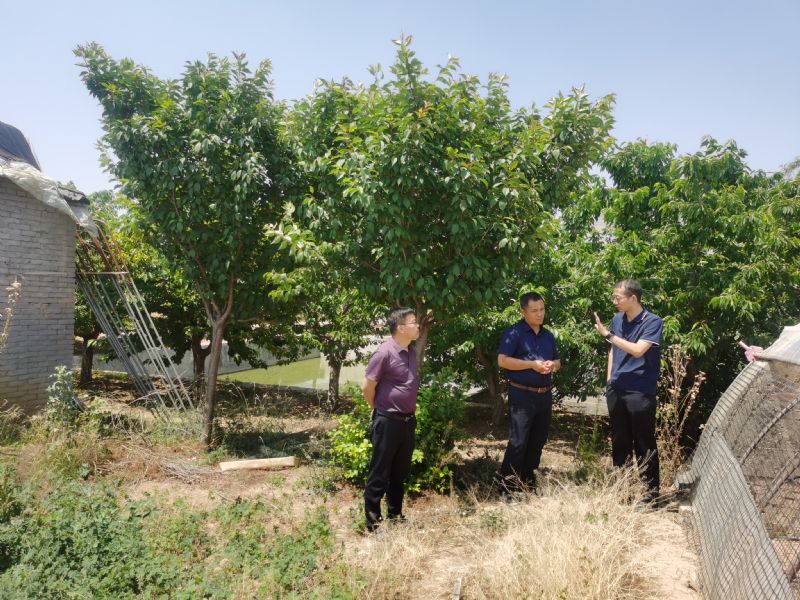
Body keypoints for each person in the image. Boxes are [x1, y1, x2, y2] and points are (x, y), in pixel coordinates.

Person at [593, 278, 663, 504]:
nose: (614, 301)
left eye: (618, 298)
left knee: (643, 442)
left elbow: (638, 350)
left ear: (633, 298)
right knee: (620, 441)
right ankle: (623, 491)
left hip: (640, 391)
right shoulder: (617, 319)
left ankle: (649, 495)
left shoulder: (653, 321)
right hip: (616, 388)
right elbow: (613, 350)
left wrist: (608, 335)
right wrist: (609, 380)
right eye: (613, 297)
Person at [362, 307, 420, 532]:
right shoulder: (384, 353)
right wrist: (379, 409)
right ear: (400, 328)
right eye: (413, 322)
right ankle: (373, 524)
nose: (418, 325)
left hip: (407, 421)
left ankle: (395, 516)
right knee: (379, 473)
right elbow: (367, 387)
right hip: (387, 421)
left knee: (399, 473)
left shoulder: (411, 351)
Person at [497, 291, 560, 495]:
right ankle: (508, 488)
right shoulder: (514, 333)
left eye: (542, 309)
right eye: (534, 311)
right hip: (522, 394)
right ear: (523, 311)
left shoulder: (548, 335)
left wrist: (552, 365)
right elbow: (503, 361)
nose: (539, 314)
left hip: (544, 395)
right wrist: (531, 365)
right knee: (519, 442)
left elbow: (558, 361)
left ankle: (527, 484)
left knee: (537, 441)